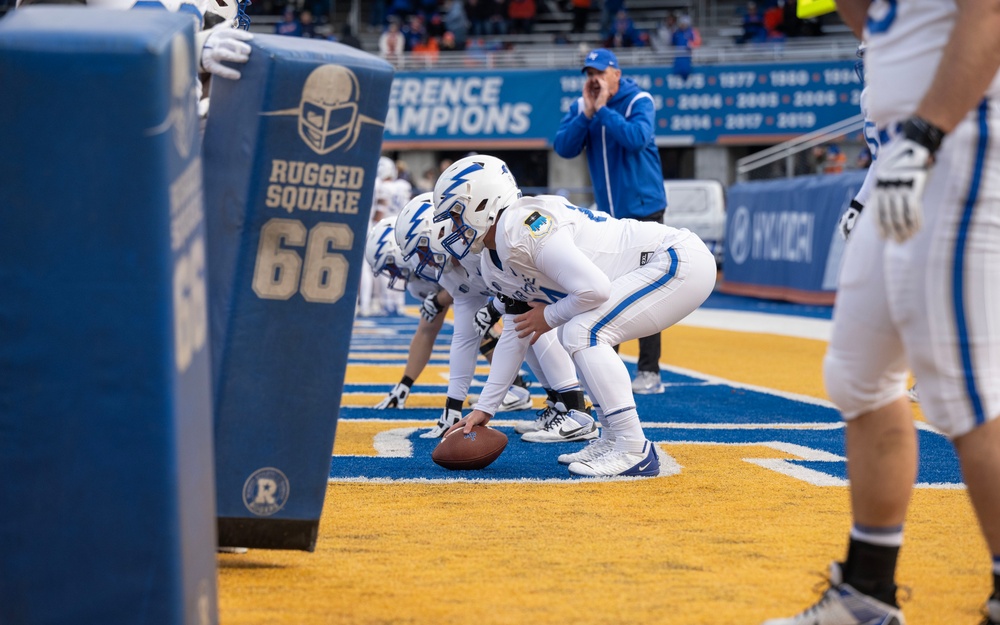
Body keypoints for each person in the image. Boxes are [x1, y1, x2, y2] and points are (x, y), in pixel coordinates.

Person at [761, 0, 1000, 619]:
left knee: (967, 390)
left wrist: (927, 132)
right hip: (903, 149)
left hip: (960, 136)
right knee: (859, 376)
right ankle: (868, 593)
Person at [434, 155, 716, 477]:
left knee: (582, 331)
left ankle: (632, 446)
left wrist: (549, 316)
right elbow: (515, 333)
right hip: (660, 266)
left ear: (484, 203)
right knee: (579, 330)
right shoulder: (492, 261)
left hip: (675, 259)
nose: (452, 227)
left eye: (456, 215)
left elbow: (594, 289)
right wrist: (486, 408)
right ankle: (612, 438)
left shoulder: (522, 227)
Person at [393, 192, 593, 441]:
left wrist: (496, 307)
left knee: (532, 323)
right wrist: (453, 408)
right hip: (551, 290)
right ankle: (559, 404)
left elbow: (519, 285)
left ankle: (576, 408)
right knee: (522, 325)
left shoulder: (483, 246)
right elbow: (464, 338)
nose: (422, 261)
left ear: (438, 232)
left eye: (422, 250)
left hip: (581, 281)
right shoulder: (453, 271)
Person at [553, 48, 670, 395]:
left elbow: (637, 139)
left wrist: (603, 110)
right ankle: (609, 368)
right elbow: (563, 147)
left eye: (600, 72)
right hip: (609, 217)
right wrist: (588, 113)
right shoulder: (582, 107)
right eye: (589, 72)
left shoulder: (639, 100)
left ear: (616, 73)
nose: (594, 79)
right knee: (606, 289)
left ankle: (650, 371)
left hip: (645, 209)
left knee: (648, 290)